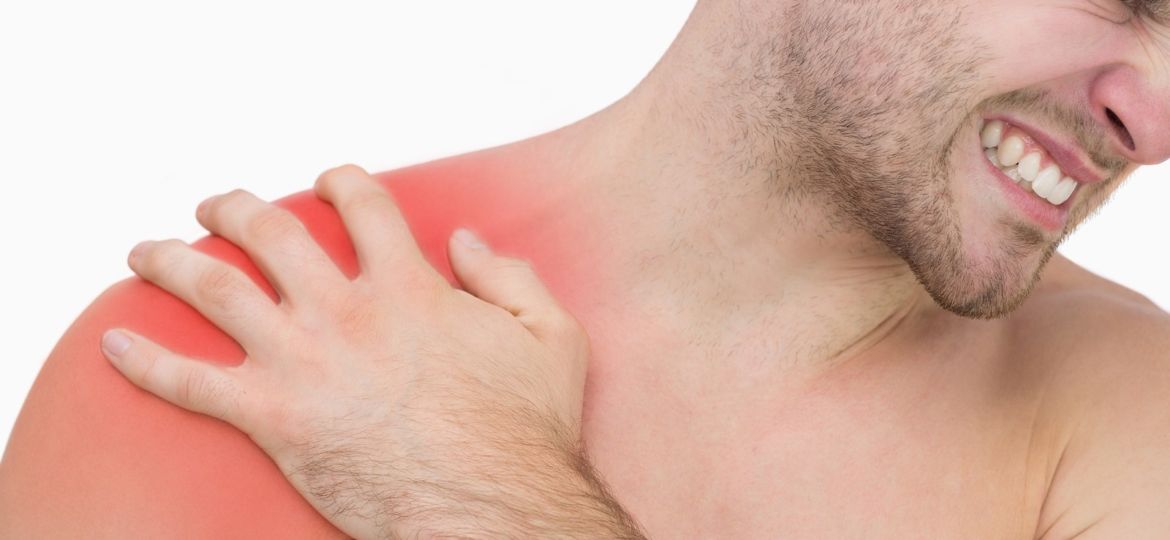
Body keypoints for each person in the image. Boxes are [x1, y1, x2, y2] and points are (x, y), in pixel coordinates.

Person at [4, 0, 1170, 537]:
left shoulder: (1128, 413)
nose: (1156, 119)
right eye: (1123, 0)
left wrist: (484, 498)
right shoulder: (233, 354)